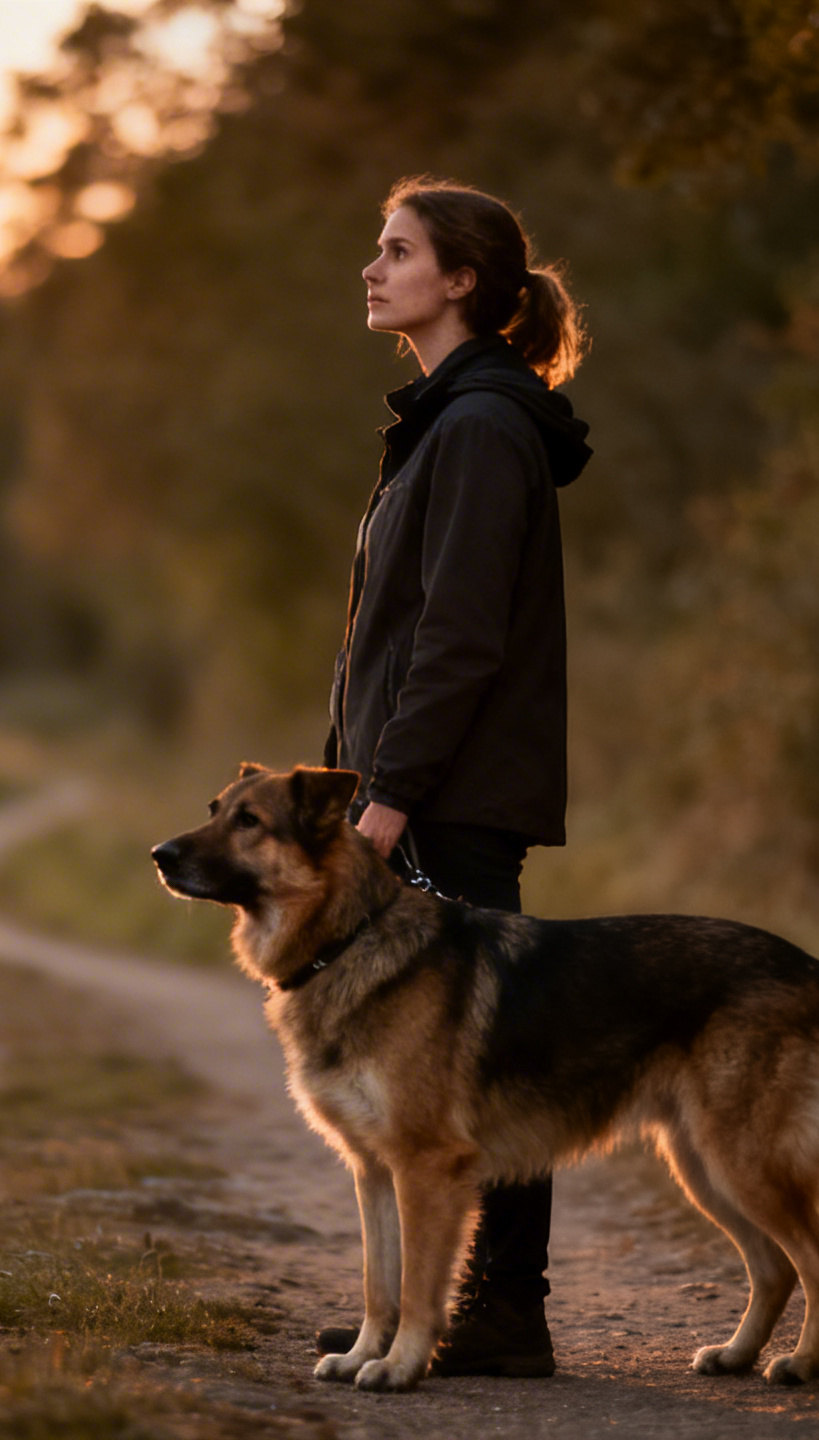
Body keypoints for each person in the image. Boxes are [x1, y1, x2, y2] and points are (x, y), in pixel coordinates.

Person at [317, 175, 591, 1378]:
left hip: (449, 793)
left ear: (462, 280)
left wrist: (388, 797)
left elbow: (459, 639)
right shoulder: (448, 416)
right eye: (378, 251)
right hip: (422, 782)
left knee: (488, 1060)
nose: (372, 271)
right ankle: (452, 1305)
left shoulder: (479, 426)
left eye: (397, 251)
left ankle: (504, 1309)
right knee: (444, 1057)